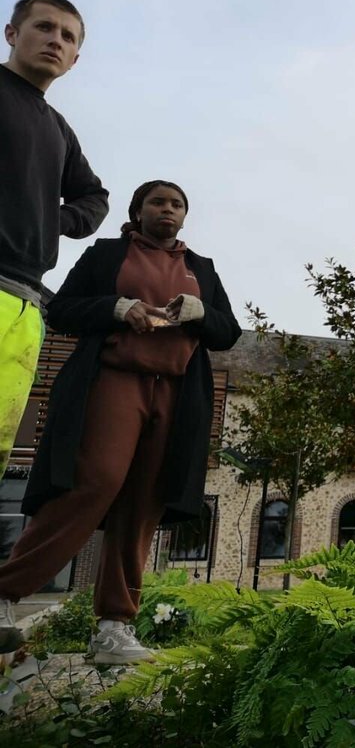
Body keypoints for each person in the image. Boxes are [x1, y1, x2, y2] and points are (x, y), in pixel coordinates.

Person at [0, 181, 240, 660]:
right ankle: (6, 591)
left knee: (145, 499)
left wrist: (199, 311)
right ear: (138, 210)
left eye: (176, 204)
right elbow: (62, 309)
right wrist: (118, 308)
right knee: (96, 481)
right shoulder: (106, 255)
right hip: (114, 378)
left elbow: (227, 332)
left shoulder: (202, 269)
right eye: (157, 202)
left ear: (185, 216)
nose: (167, 210)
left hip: (176, 392)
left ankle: (113, 626)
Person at [1, 0, 108, 482]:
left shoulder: (59, 130)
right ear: (12, 34)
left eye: (67, 36)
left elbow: (94, 197)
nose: (55, 40)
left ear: (76, 58)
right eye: (44, 27)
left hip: (24, 307)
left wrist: (52, 219)